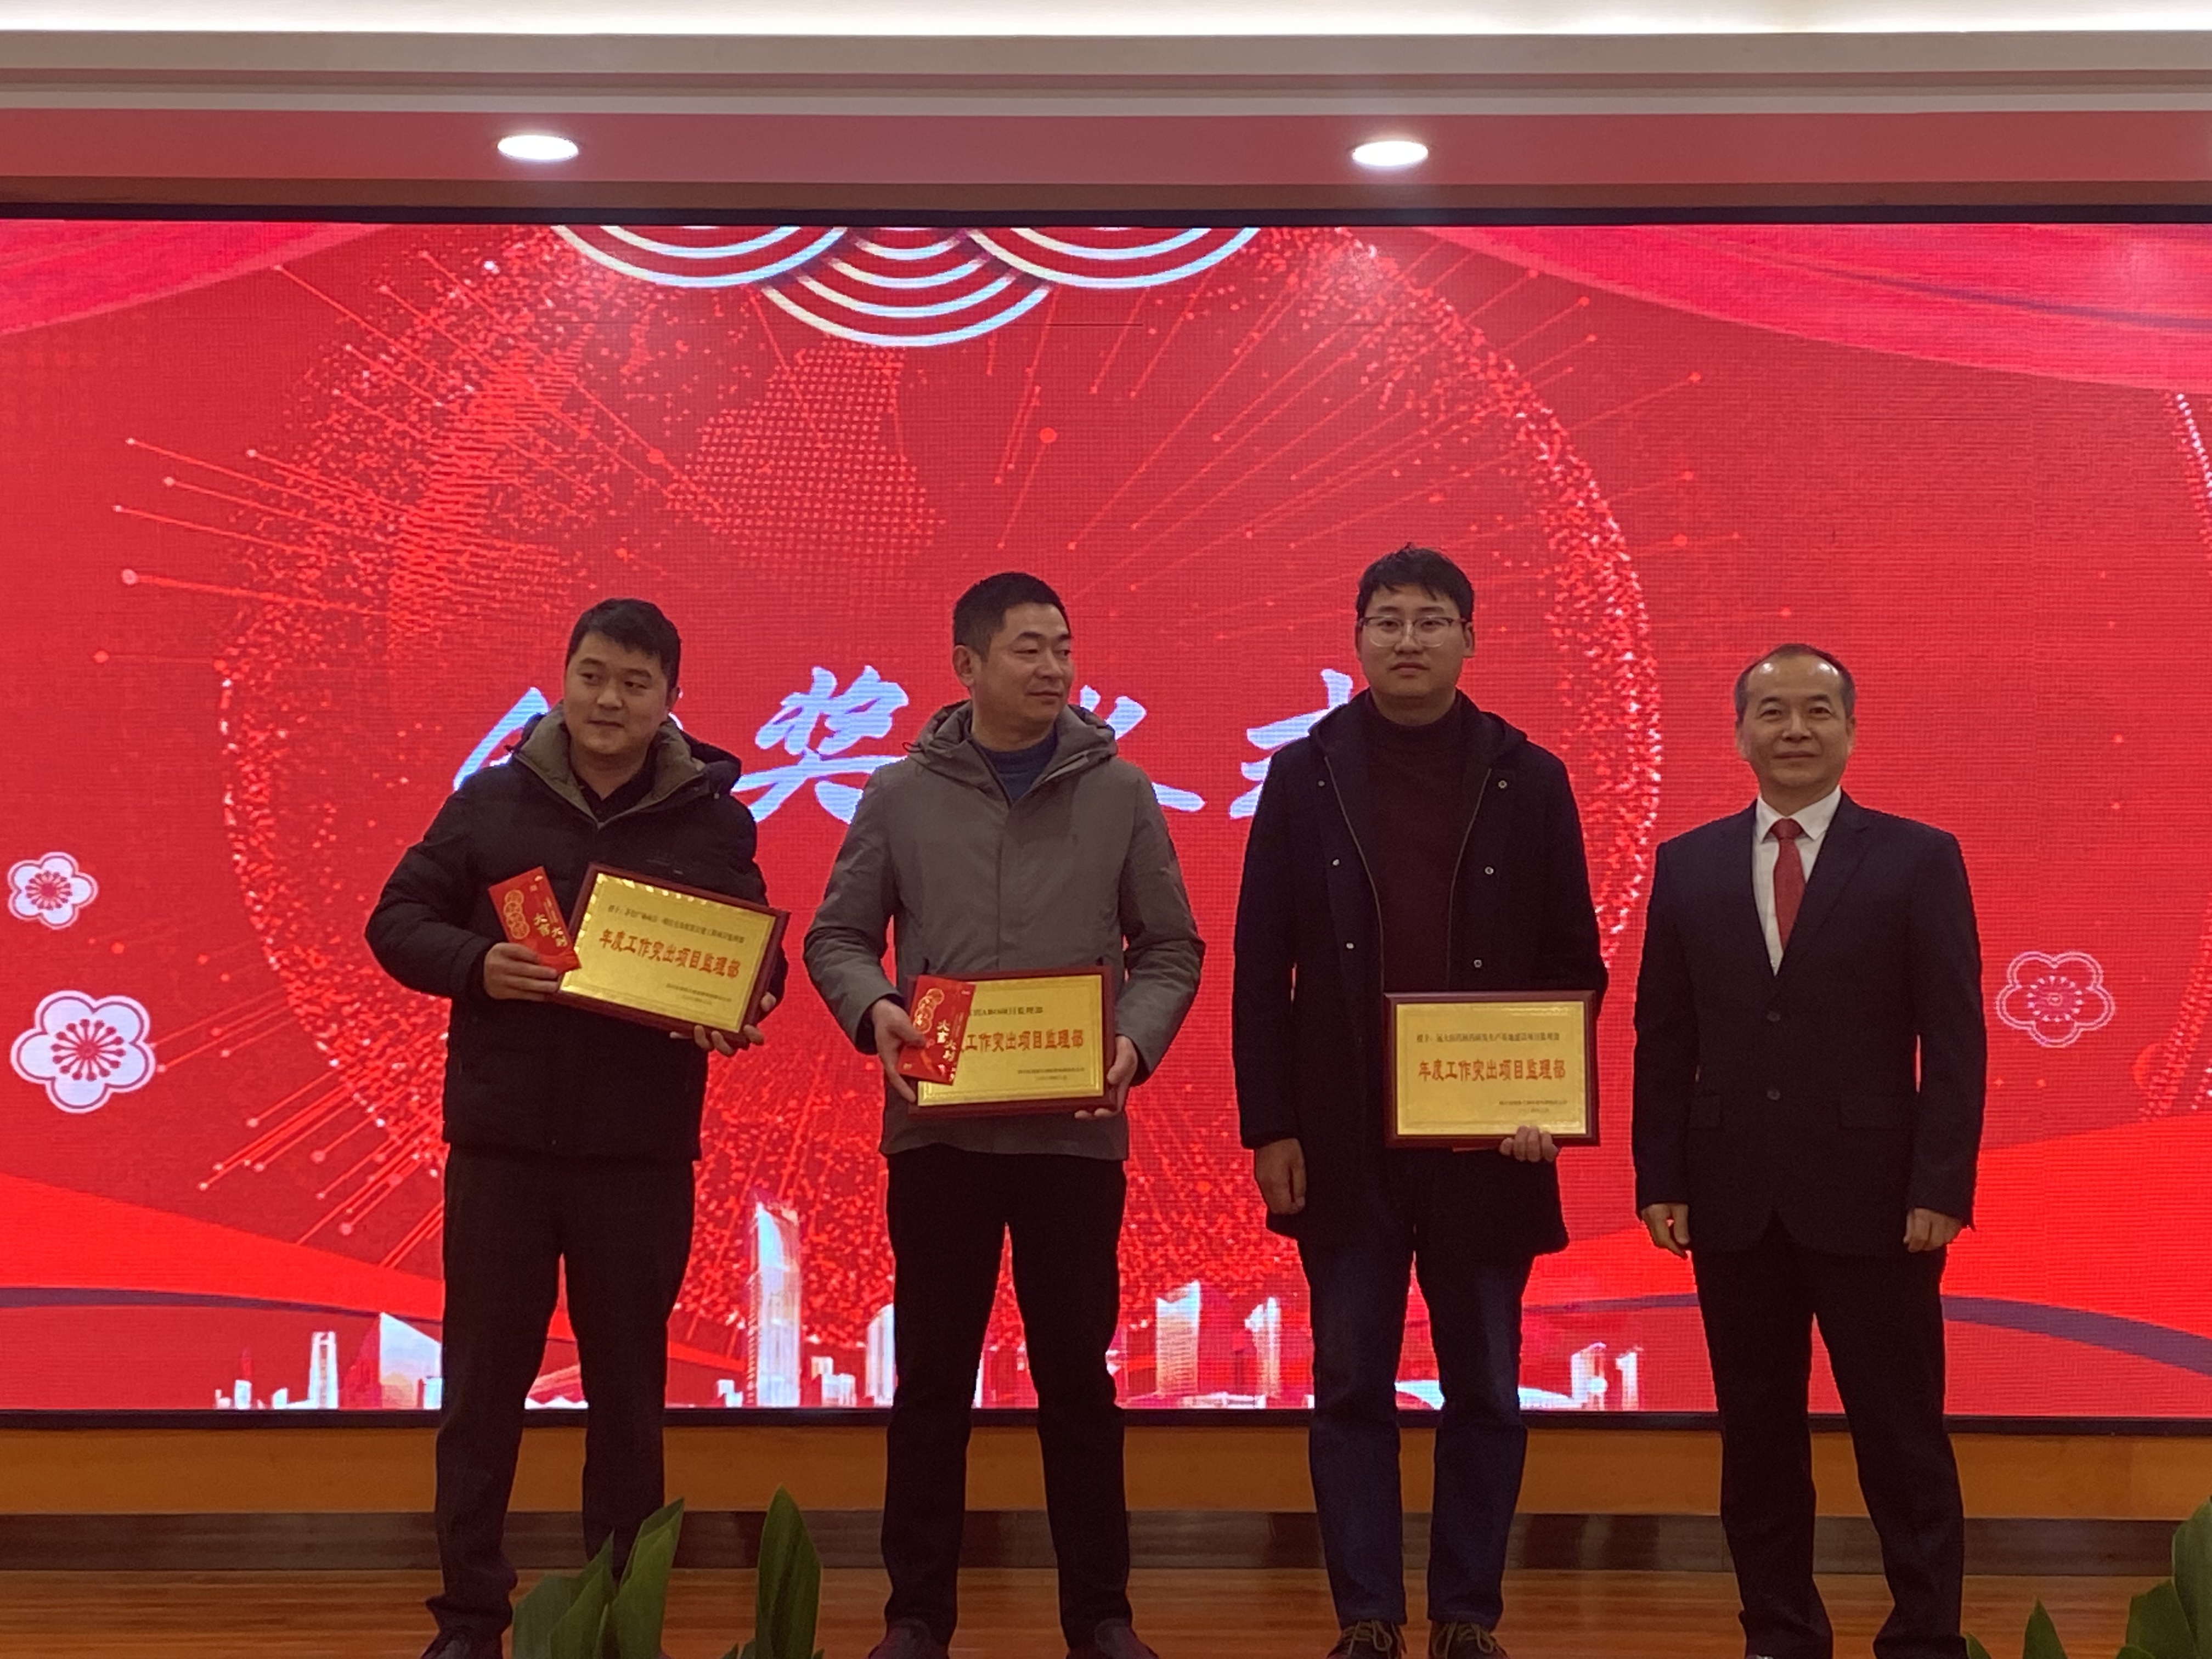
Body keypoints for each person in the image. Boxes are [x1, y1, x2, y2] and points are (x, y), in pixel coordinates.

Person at [366, 597, 785, 1659]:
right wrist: (479, 966)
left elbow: (757, 957)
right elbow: (395, 921)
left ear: (670, 700)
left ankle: (617, 1619)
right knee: (481, 1395)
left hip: (638, 1155)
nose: (609, 700)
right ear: (564, 678)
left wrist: (742, 1000)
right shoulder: (490, 801)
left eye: (635, 684)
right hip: (503, 1150)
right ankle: (471, 1619)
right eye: (593, 676)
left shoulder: (712, 821)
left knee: (629, 1399)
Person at [805, 571, 1204, 1659]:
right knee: (933, 1380)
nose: (1054, 668)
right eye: (1029, 649)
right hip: (939, 1136)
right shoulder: (898, 794)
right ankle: (916, 1617)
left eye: (1063, 647)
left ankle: (1101, 1616)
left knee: (1078, 1381)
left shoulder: (1121, 791)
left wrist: (1134, 1043)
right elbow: (837, 936)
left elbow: (1170, 948)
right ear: (967, 666)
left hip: (1074, 1134)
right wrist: (876, 1010)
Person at [1232, 544, 1606, 1659]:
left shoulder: (1529, 777)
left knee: (1484, 1384)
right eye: (1387, 620)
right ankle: (1366, 1614)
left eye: (1431, 620)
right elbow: (1261, 968)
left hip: (1488, 1141)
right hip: (1343, 1135)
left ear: (1469, 640)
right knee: (1351, 1380)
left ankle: (1466, 1614)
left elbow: (1574, 962)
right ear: (1357, 640)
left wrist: (1546, 1100)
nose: (1408, 639)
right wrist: (1271, 1126)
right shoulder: (1303, 776)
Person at [1632, 644, 1983, 1659]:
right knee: (1758, 1441)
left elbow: (1955, 1037)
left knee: (1901, 1438)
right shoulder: (1688, 862)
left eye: (1818, 711)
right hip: (1733, 1200)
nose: (1795, 729)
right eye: (1773, 711)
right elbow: (1666, 1037)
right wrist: (1661, 1178)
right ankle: (1780, 1633)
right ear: (1739, 734)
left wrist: (1941, 1185)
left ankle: (1925, 1637)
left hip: (1881, 1202)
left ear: (1851, 731)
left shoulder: (1918, 857)